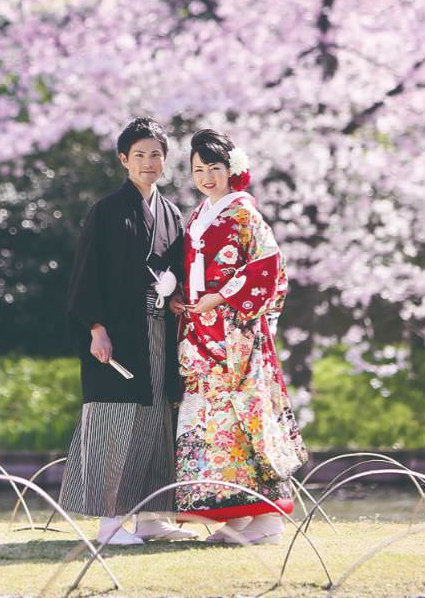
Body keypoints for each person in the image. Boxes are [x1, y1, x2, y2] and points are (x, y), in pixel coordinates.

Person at [59, 117, 198, 545]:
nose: (148, 162)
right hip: (116, 334)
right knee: (114, 419)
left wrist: (176, 300)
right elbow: (86, 276)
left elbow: (176, 271)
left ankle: (152, 515)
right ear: (124, 160)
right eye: (139, 155)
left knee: (158, 419)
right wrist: (96, 329)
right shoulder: (107, 211)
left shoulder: (171, 213)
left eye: (156, 154)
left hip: (158, 332)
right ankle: (109, 522)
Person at [171, 129, 308, 544]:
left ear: (232, 170)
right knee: (210, 423)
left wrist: (222, 296)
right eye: (199, 169)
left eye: (215, 168)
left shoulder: (245, 213)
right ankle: (236, 514)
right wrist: (184, 297)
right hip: (202, 332)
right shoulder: (200, 213)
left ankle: (266, 517)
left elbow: (269, 268)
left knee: (242, 419)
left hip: (237, 336)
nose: (207, 176)